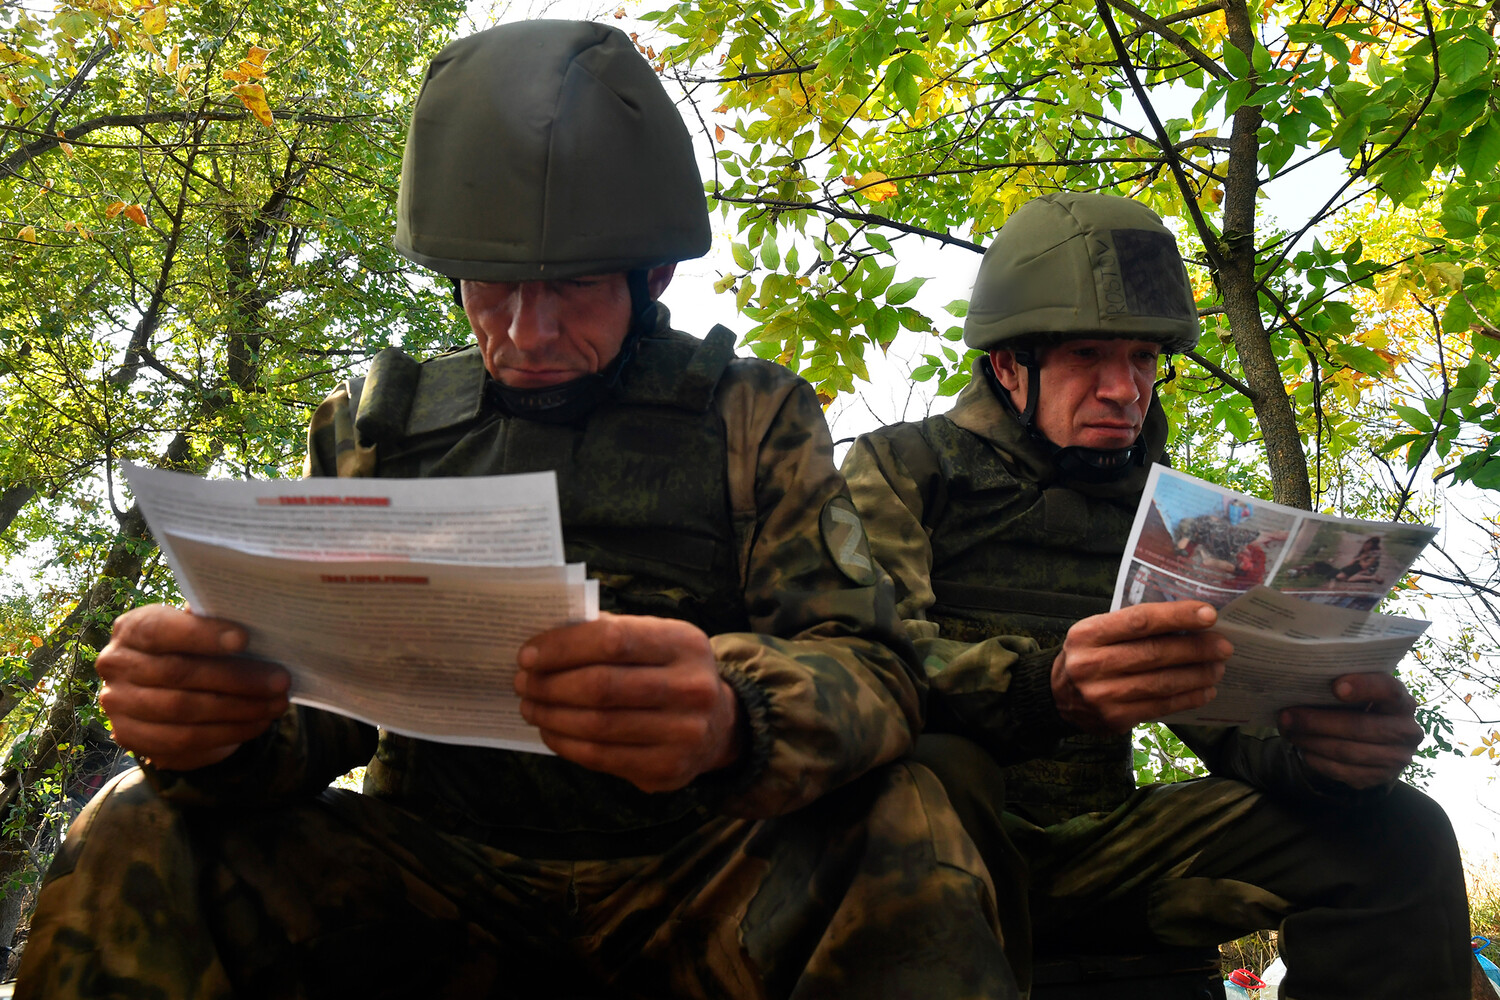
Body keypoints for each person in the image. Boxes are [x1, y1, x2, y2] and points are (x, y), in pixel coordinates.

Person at [17, 22, 1016, 1000]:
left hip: (696, 886)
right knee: (136, 814)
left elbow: (877, 669)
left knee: (907, 814)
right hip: (426, 894)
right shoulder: (377, 433)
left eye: (575, 287)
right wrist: (218, 723)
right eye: (490, 285)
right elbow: (323, 715)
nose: (524, 330)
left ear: (652, 274)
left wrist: (734, 717)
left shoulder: (752, 415)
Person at [842, 192, 1472, 998]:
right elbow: (864, 664)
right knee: (937, 767)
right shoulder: (904, 470)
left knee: (1401, 835)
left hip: (1110, 855)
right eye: (1090, 356)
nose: (1124, 388)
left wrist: (1329, 751)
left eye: (1142, 358)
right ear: (1008, 365)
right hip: (935, 842)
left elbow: (1228, 715)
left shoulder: (1175, 515)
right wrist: (1043, 687)